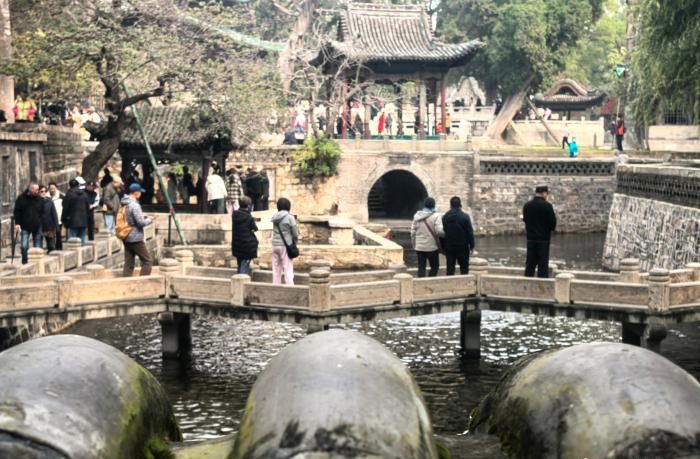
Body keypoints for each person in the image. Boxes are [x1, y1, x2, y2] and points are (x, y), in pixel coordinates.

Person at [523, 185, 557, 278]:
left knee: (530, 265)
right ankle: (542, 284)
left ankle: (527, 283)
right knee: (543, 265)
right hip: (543, 240)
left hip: (530, 239)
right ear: (544, 193)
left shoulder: (527, 205)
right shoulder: (547, 206)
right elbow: (552, 223)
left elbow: (525, 220)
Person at [121, 183, 153, 276]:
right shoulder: (134, 205)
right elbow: (141, 223)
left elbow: (130, 218)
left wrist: (143, 217)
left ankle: (126, 280)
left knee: (129, 263)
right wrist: (149, 219)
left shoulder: (124, 202)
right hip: (135, 237)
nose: (141, 194)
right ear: (136, 193)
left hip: (126, 234)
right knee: (147, 261)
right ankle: (142, 282)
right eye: (140, 192)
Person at [410, 197, 444, 278]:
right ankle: (430, 281)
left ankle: (421, 283)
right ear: (434, 205)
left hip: (419, 247)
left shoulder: (416, 216)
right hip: (432, 247)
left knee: (421, 267)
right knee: (434, 266)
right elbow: (439, 231)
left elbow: (412, 232)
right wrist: (446, 235)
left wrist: (414, 245)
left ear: (424, 205)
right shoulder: (436, 216)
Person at [441, 196, 475, 275]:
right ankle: (464, 282)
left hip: (449, 246)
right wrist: (472, 246)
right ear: (460, 205)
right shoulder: (465, 217)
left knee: (450, 269)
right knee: (464, 268)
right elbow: (470, 232)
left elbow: (442, 233)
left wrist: (443, 247)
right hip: (463, 246)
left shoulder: (445, 217)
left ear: (450, 205)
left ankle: (449, 282)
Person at [13, 183, 43, 264]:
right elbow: (17, 212)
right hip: (25, 225)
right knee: (24, 246)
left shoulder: (39, 199)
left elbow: (42, 211)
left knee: (37, 246)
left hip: (37, 225)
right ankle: (25, 261)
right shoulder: (21, 198)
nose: (38, 191)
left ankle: (37, 263)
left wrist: (41, 222)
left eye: (38, 190)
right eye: (36, 190)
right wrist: (17, 223)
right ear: (30, 189)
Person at [271, 197, 298, 285]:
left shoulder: (275, 216)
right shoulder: (290, 217)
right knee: (287, 267)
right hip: (285, 245)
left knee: (276, 268)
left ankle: (275, 286)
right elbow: (295, 233)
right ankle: (290, 287)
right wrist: (295, 241)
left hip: (275, 244)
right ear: (288, 206)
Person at [232, 196, 258, 275]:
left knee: (240, 263)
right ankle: (242, 280)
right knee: (244, 265)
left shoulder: (234, 214)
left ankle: (239, 278)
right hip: (247, 245)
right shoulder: (248, 217)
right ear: (249, 206)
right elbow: (255, 228)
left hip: (237, 244)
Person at [61, 178, 90, 246]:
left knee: (73, 242)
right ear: (78, 185)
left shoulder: (69, 195)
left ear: (70, 186)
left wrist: (63, 219)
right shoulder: (84, 194)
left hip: (72, 220)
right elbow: (87, 207)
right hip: (83, 220)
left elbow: (65, 208)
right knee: (82, 241)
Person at [38, 185, 59, 253]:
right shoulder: (35, 201)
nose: (43, 193)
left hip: (49, 225)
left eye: (45, 191)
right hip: (39, 225)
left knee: (51, 246)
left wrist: (57, 226)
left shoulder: (49, 201)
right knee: (38, 246)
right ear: (38, 192)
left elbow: (54, 214)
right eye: (42, 191)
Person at [48, 182, 65, 249]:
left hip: (59, 217)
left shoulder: (61, 196)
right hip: (49, 219)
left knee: (58, 233)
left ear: (56, 188)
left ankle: (59, 247)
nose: (52, 190)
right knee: (50, 234)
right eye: (51, 188)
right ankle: (51, 247)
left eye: (53, 188)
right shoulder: (46, 196)